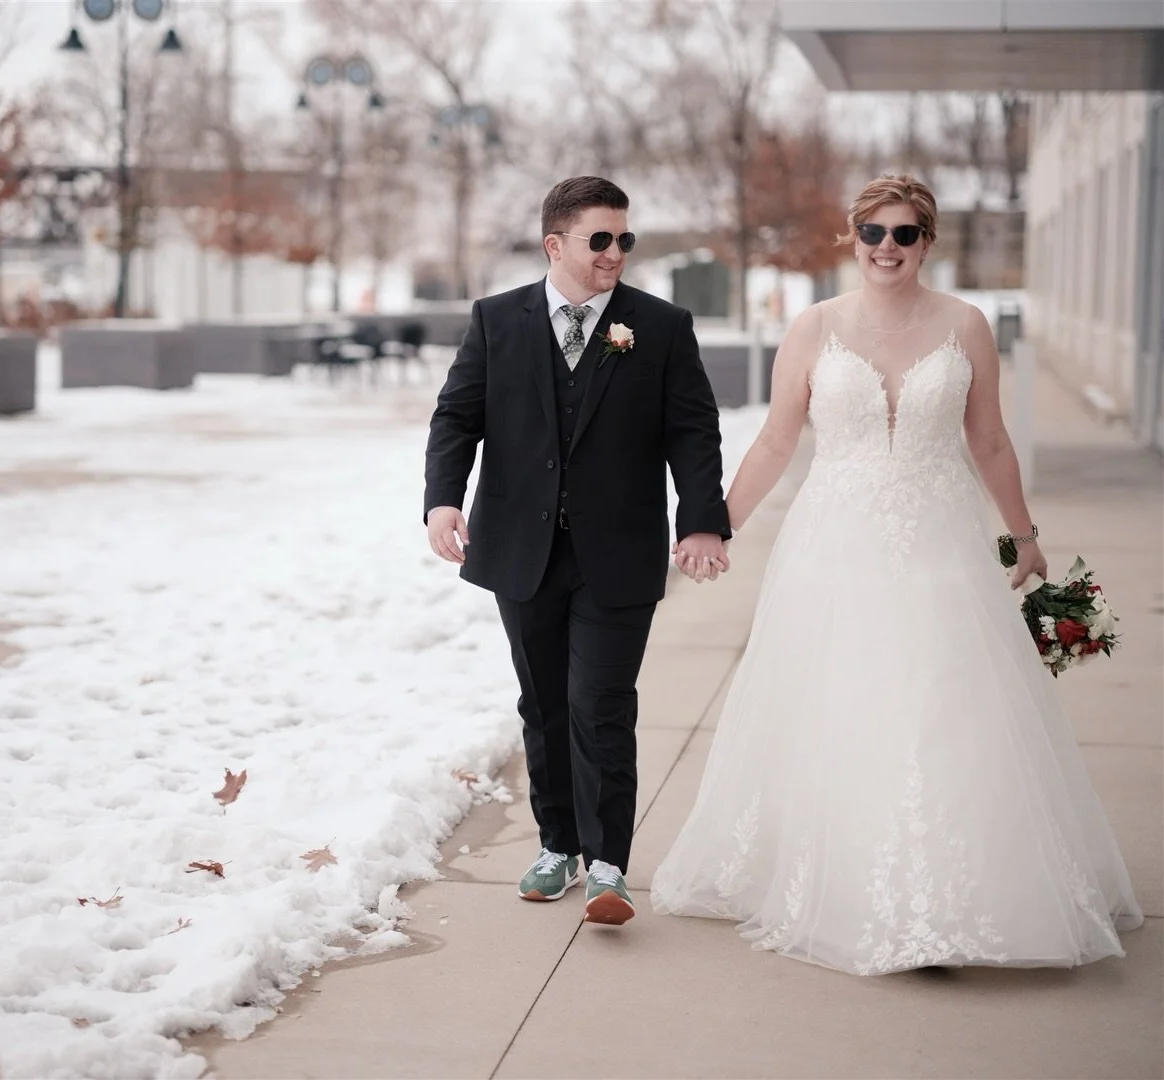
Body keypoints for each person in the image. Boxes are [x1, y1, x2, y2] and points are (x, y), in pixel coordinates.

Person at [650, 174, 1143, 973]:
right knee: (843, 702)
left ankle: (944, 890)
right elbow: (778, 441)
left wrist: (1024, 536)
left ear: (927, 241)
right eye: (874, 232)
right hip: (833, 543)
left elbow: (988, 443)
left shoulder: (966, 325)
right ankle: (849, 878)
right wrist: (714, 524)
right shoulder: (812, 328)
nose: (888, 248)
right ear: (852, 236)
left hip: (939, 540)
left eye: (905, 234)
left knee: (940, 702)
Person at [423, 176, 730, 926]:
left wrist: (701, 519)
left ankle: (607, 865)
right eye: (600, 239)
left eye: (625, 239)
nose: (615, 253)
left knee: (601, 704)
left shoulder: (658, 326)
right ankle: (557, 846)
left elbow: (693, 431)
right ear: (555, 244)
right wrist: (441, 499)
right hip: (519, 549)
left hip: (618, 553)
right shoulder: (497, 320)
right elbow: (456, 416)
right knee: (544, 704)